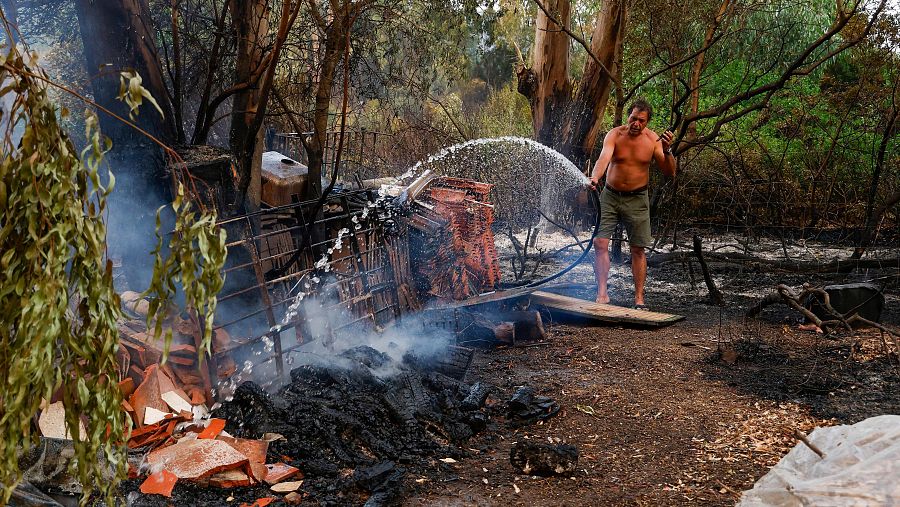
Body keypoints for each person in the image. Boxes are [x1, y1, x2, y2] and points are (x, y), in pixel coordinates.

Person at [588, 98, 676, 308]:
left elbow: (669, 172)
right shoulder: (615, 135)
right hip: (610, 195)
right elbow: (603, 158)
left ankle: (639, 299)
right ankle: (602, 294)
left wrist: (667, 150)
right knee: (600, 243)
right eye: (633, 118)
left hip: (637, 198)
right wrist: (595, 177)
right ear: (628, 116)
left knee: (638, 249)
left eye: (641, 121)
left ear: (647, 122)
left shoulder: (652, 140)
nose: (636, 124)